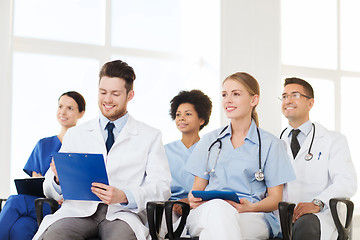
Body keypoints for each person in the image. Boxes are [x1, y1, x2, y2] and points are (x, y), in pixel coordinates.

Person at [33, 59, 171, 240]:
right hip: (78, 211)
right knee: (55, 236)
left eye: (115, 94)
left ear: (130, 96)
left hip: (121, 214)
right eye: (103, 92)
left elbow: (162, 187)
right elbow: (48, 188)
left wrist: (124, 196)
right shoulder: (76, 134)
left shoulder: (150, 136)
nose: (107, 99)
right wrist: (58, 178)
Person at [185, 72, 295, 239]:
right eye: (224, 95)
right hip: (208, 210)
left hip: (253, 215)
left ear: (254, 100)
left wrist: (250, 207)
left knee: (217, 229)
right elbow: (196, 191)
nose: (228, 100)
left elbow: (275, 198)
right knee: (219, 212)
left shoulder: (271, 144)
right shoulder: (210, 141)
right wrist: (193, 199)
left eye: (236, 94)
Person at [0, 91, 86, 240]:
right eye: (60, 106)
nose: (63, 112)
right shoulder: (43, 144)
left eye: (70, 108)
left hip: (65, 208)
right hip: (39, 204)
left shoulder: (84, 146)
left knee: (14, 201)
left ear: (81, 113)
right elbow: (35, 182)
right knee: (22, 227)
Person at [279, 77, 357, 240]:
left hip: (321, 216)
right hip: (283, 215)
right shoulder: (276, 143)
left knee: (305, 226)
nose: (288, 100)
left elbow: (347, 181)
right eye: (285, 96)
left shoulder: (334, 140)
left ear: (310, 103)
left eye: (295, 95)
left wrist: (317, 203)